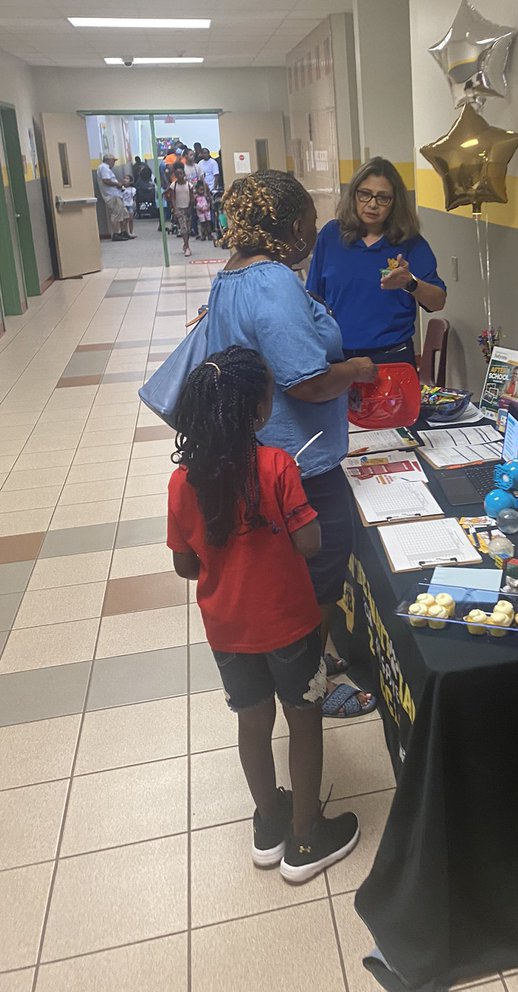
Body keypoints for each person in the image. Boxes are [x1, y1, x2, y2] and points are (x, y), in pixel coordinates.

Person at [167, 345, 360, 880]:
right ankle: (306, 838)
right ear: (257, 410)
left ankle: (269, 822)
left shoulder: (182, 482)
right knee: (303, 717)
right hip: (290, 623)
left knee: (252, 721)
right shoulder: (276, 466)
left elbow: (185, 565)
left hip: (227, 629)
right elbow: (309, 544)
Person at [203, 169, 378, 718]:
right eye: (310, 219)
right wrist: (355, 370)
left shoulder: (232, 274)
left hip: (260, 453)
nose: (314, 229)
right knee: (320, 569)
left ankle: (310, 660)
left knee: (294, 570)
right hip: (299, 460)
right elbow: (307, 381)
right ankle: (311, 679)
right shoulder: (273, 281)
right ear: (290, 225)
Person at [306, 157, 447, 368]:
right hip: (338, 358)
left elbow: (438, 302)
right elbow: (313, 298)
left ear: (395, 203)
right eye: (365, 194)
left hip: (392, 356)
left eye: (383, 198)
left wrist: (410, 282)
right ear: (354, 195)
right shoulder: (332, 235)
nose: (372, 204)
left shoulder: (410, 243)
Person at [97, 152, 131, 242]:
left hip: (116, 195)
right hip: (112, 196)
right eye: (113, 161)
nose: (114, 163)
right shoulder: (103, 167)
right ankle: (116, 233)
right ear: (108, 160)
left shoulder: (106, 168)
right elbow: (106, 180)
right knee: (116, 214)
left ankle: (124, 232)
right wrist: (117, 184)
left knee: (125, 214)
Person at [168, 162, 194, 257]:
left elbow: (192, 198)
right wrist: (175, 209)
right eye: (177, 174)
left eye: (181, 174)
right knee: (183, 228)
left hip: (187, 208)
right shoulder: (173, 186)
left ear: (184, 174)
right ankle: (187, 247)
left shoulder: (189, 185)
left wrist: (190, 208)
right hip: (179, 209)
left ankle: (185, 244)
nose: (179, 176)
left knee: (188, 228)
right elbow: (173, 198)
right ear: (175, 176)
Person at [120, 173, 136, 238]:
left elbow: (134, 197)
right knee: (125, 219)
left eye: (127, 179)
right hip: (124, 205)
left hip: (130, 205)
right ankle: (125, 232)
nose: (125, 180)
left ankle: (131, 231)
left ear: (130, 181)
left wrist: (134, 203)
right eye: (124, 178)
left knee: (131, 219)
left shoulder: (132, 189)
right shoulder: (122, 188)